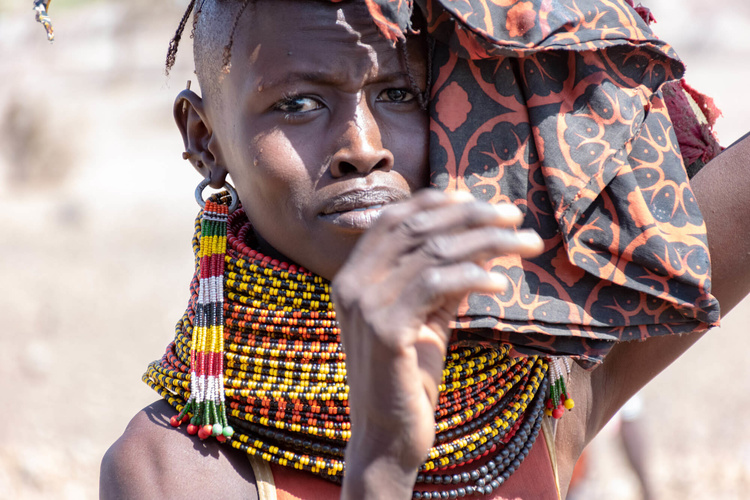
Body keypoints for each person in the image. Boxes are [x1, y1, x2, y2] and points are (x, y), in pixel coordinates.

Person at [99, 1, 750, 499]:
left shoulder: (548, 377)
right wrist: (382, 462)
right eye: (297, 103)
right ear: (204, 138)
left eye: (399, 95)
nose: (363, 146)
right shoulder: (168, 470)